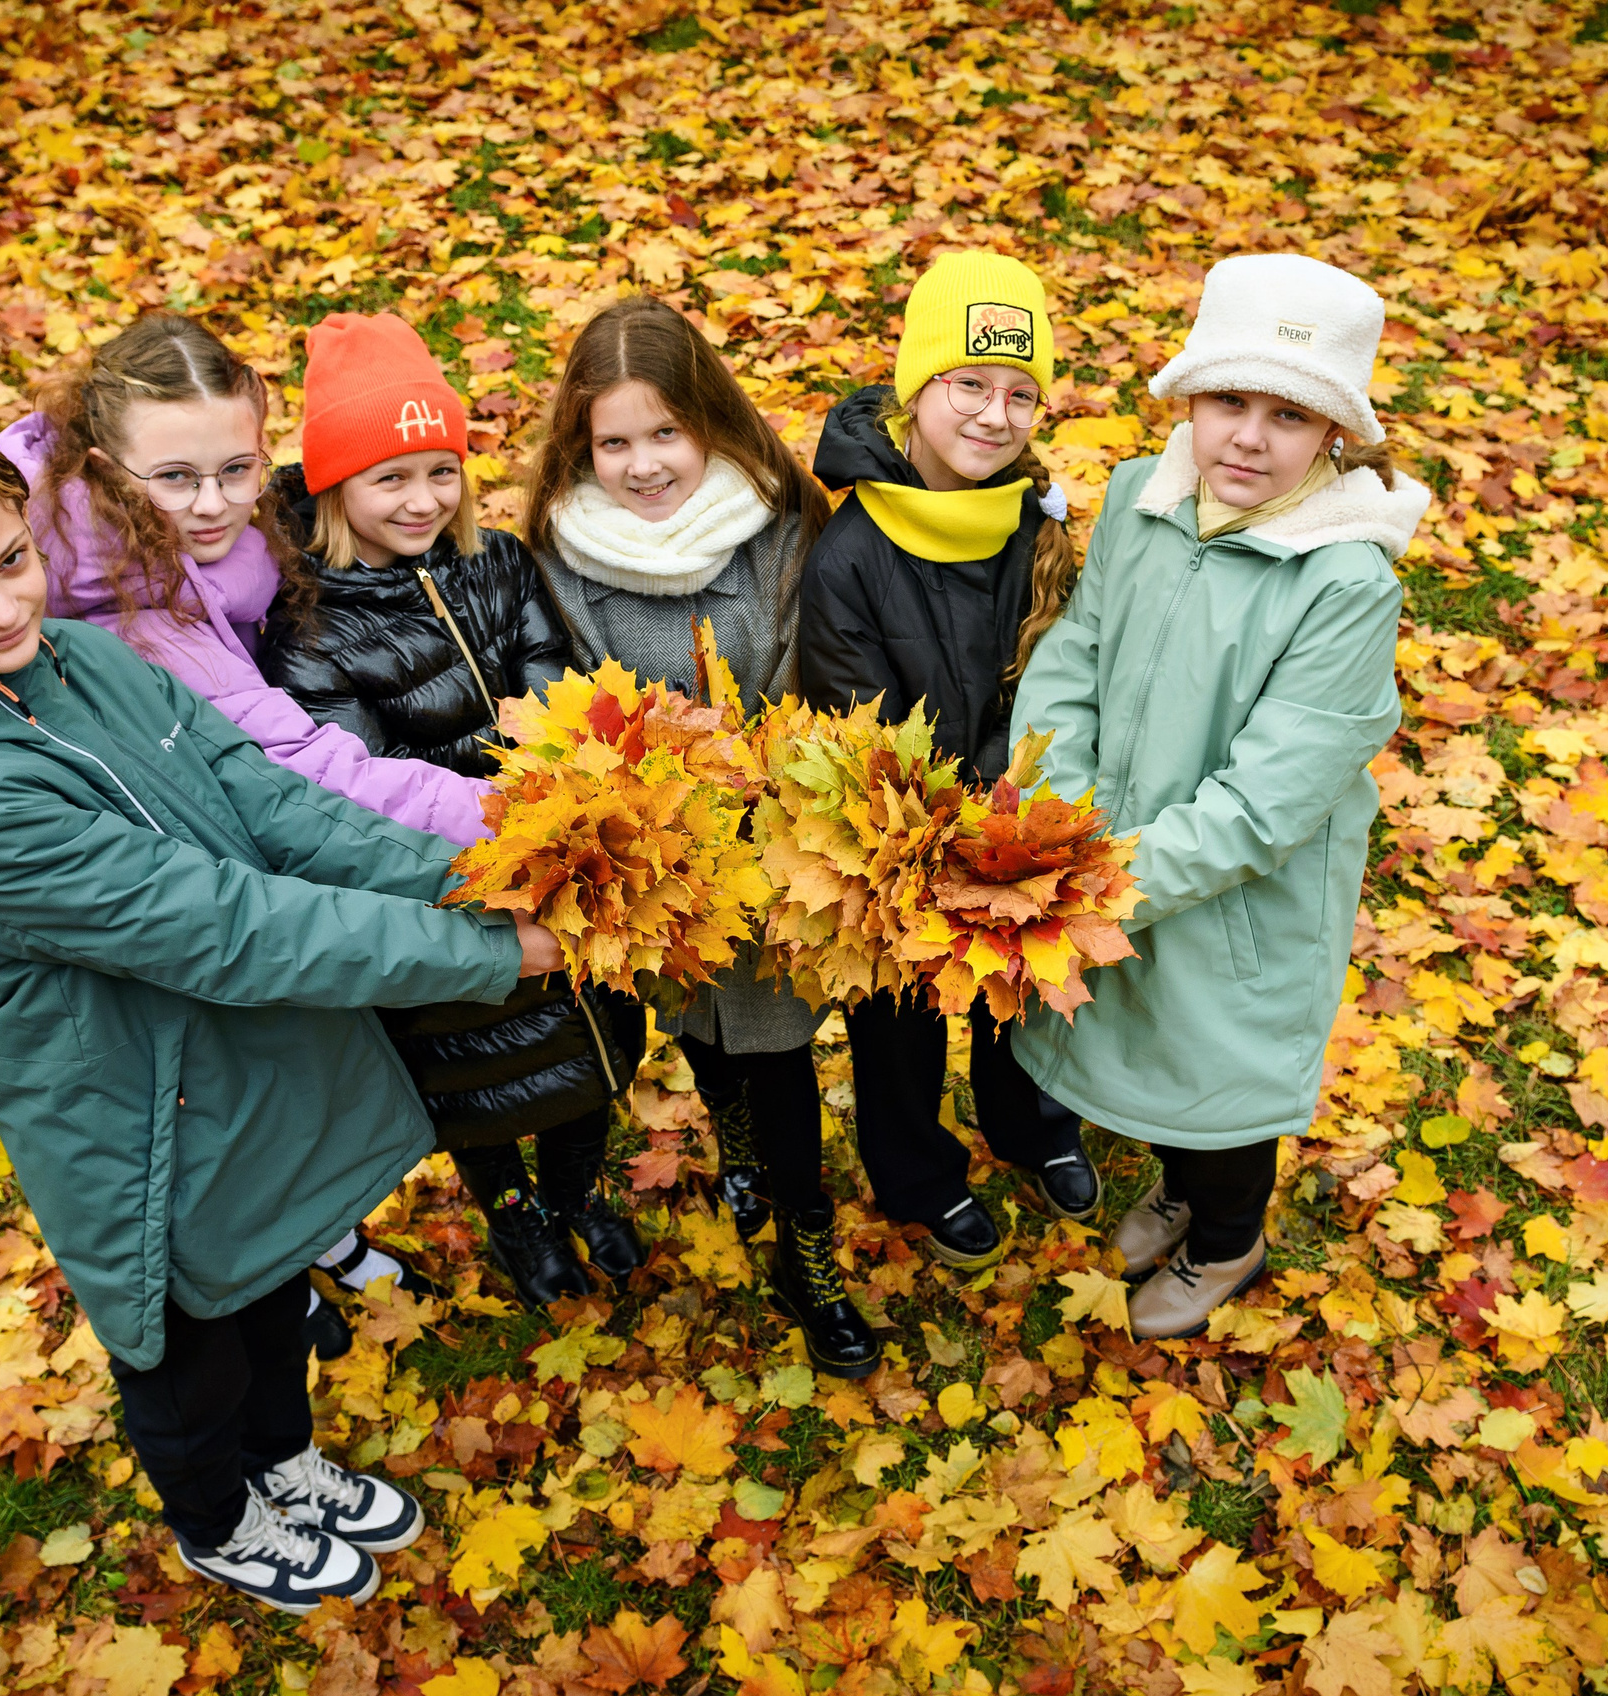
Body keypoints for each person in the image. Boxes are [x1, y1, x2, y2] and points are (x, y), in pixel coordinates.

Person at [0, 407, 566, 1613]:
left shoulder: (78, 656)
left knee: (267, 1278)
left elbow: (267, 805)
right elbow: (224, 923)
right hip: (125, 1102)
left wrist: (473, 875)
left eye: (12, 561)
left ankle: (283, 1464)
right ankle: (217, 1516)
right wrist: (485, 953)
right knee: (185, 1336)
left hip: (229, 1055)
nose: (1, 609)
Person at [0, 313, 479, 1346]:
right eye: (175, 479)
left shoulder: (187, 546)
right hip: (174, 853)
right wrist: (507, 810)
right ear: (103, 469)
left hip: (221, 811)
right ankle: (280, 1265)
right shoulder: (128, 607)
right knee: (235, 1085)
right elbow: (305, 769)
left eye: (238, 468)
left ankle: (323, 1236)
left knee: (289, 1058)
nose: (214, 504)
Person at [1010, 253, 1432, 1337]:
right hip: (1110, 848)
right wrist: (1059, 814)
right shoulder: (1144, 504)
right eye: (1228, 402)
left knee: (1216, 1074)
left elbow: (1269, 798)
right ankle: (1185, 1189)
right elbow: (1074, 655)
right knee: (1146, 1049)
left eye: (1287, 416)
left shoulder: (1343, 581)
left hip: (1233, 889)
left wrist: (1106, 878)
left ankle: (1226, 1232)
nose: (1248, 437)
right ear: (1188, 403)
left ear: (1334, 436)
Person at [260, 311, 646, 1304]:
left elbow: (557, 684)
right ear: (337, 483)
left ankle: (574, 1187)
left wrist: (566, 789)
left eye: (440, 471)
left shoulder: (501, 563)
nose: (422, 499)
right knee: (473, 1079)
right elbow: (355, 771)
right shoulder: (309, 623)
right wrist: (500, 820)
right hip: (443, 884)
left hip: (561, 857)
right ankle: (513, 1209)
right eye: (390, 477)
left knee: (590, 1047)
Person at [520, 295, 873, 1377]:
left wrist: (744, 773)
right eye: (613, 442)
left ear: (709, 423)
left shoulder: (777, 529)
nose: (641, 464)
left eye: (664, 433)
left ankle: (806, 1245)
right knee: (698, 1029)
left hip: (766, 849)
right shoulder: (559, 552)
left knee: (776, 1058)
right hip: (650, 861)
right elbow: (558, 693)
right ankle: (738, 1153)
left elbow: (810, 676)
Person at [796, 251, 1100, 1272]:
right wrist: (959, 837)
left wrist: (1029, 824)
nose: (992, 413)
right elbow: (861, 726)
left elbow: (1062, 681)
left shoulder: (1033, 527)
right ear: (916, 390)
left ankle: (1032, 1125)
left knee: (1022, 988)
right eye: (968, 383)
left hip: (1021, 818)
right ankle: (918, 1171)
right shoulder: (852, 551)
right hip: (902, 832)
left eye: (1020, 393)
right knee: (900, 1017)